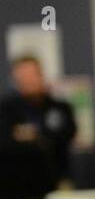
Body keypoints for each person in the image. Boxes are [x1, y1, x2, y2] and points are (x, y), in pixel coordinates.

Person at [0, 55, 76, 192]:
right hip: (14, 186)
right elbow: (5, 143)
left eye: (32, 74)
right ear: (16, 80)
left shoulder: (59, 107)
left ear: (41, 74)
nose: (29, 80)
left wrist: (33, 136)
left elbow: (65, 136)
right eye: (23, 76)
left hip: (54, 181)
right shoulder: (6, 109)